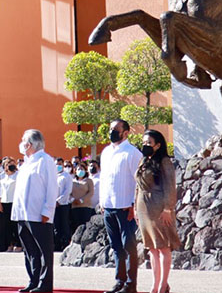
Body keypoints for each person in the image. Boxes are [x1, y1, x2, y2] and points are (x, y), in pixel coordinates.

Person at [12, 130, 58, 293]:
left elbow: (52, 188)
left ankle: (44, 284)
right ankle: (33, 280)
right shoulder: (26, 162)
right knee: (29, 250)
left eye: (23, 140)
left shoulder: (45, 161)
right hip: (23, 215)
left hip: (39, 215)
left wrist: (47, 210)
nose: (21, 143)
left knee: (43, 251)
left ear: (30, 144)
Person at [100, 119, 143, 293]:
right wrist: (103, 202)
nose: (111, 132)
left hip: (126, 207)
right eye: (110, 129)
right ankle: (119, 280)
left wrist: (133, 205)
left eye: (115, 129)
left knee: (129, 246)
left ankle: (131, 284)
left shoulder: (132, 153)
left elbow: (138, 182)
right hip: (108, 206)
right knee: (116, 246)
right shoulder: (105, 152)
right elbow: (105, 179)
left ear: (126, 133)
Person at [135, 130, 180, 293]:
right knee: (152, 248)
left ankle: (163, 285)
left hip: (159, 207)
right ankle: (155, 285)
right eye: (144, 142)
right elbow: (138, 186)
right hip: (143, 208)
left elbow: (170, 186)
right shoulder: (144, 161)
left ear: (158, 145)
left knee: (163, 247)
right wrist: (135, 209)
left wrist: (168, 208)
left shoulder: (164, 161)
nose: (145, 145)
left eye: (149, 143)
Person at [0, 158, 19, 252]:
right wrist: (0, 202)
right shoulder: (3, 176)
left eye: (11, 163)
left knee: (15, 225)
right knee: (7, 225)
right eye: (7, 164)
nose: (9, 165)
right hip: (5, 202)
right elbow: (1, 191)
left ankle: (18, 244)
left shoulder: (17, 175)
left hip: (14, 202)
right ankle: (10, 243)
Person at [70, 162, 95, 233]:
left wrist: (81, 200)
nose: (80, 170)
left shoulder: (88, 181)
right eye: (78, 169)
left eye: (82, 169)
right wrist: (73, 200)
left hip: (85, 206)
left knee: (85, 226)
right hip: (75, 206)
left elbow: (91, 192)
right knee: (76, 226)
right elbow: (69, 193)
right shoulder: (72, 181)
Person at [54, 158, 73, 251]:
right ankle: (56, 244)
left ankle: (65, 243)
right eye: (56, 164)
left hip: (63, 204)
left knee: (64, 224)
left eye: (60, 164)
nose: (58, 165)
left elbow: (67, 191)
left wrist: (59, 201)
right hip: (53, 205)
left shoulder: (67, 176)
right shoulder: (52, 176)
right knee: (55, 225)